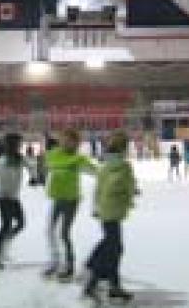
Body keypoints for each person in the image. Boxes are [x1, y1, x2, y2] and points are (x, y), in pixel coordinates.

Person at [82, 130, 138, 305]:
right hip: (112, 211)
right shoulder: (123, 166)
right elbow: (128, 186)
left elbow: (99, 188)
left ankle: (111, 283)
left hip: (107, 210)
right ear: (124, 148)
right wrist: (130, 196)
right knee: (113, 248)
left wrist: (96, 207)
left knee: (114, 247)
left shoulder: (106, 165)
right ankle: (95, 282)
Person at [43, 128, 97, 281]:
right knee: (50, 231)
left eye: (70, 140)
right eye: (64, 139)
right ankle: (55, 260)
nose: (66, 142)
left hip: (71, 200)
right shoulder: (54, 154)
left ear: (76, 143)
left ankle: (69, 265)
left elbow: (95, 171)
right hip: (57, 198)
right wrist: (70, 163)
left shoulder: (79, 159)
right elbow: (50, 162)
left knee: (64, 233)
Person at [0, 133, 29, 270]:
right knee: (6, 225)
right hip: (4, 197)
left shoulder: (19, 159)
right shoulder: (2, 160)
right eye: (18, 144)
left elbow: (32, 168)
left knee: (20, 223)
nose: (19, 146)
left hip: (14, 197)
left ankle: (2, 247)